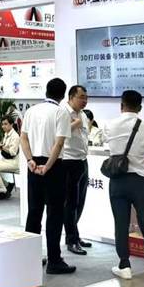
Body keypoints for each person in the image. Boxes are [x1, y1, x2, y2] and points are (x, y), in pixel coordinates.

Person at [105, 90, 144, 281]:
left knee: (121, 224)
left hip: (118, 181)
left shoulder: (110, 125)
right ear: (140, 107)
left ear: (121, 105)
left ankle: (124, 265)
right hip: (140, 181)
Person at [20, 78, 75, 275]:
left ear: (46, 91)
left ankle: (29, 257)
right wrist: (48, 166)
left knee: (34, 212)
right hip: (54, 166)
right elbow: (59, 144)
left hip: (33, 164)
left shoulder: (31, 111)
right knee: (55, 213)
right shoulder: (61, 112)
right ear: (63, 95)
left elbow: (23, 138)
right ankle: (54, 260)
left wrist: (30, 160)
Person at [63, 85, 91, 256]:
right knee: (70, 204)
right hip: (69, 161)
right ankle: (71, 240)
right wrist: (75, 124)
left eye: (86, 98)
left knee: (80, 202)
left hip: (82, 160)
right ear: (71, 97)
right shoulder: (63, 113)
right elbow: (58, 134)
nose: (85, 101)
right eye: (81, 97)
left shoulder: (83, 115)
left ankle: (75, 234)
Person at [0, 114, 20, 199]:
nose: (3, 126)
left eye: (5, 124)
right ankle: (7, 185)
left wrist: (1, 146)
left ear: (11, 124)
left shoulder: (15, 136)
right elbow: (5, 150)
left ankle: (3, 191)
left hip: (14, 162)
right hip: (7, 160)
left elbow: (12, 153)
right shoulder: (6, 134)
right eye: (2, 124)